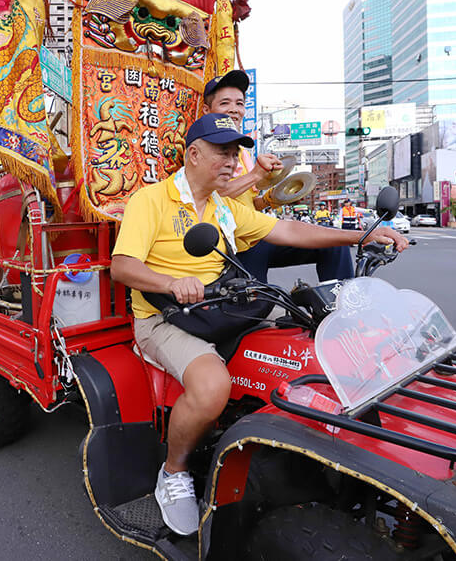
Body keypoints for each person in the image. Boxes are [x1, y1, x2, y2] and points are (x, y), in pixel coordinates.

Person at [110, 114, 407, 535]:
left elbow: (288, 230)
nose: (233, 161)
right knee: (212, 387)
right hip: (163, 316)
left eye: (235, 153)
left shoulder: (224, 208)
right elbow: (122, 267)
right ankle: (174, 472)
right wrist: (171, 283)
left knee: (313, 339)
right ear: (193, 154)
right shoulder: (151, 201)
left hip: (219, 305)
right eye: (222, 152)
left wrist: (359, 236)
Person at [202, 70, 353, 284]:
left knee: (334, 243)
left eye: (239, 103)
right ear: (207, 110)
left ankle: (342, 301)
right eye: (225, 103)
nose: (234, 109)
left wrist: (271, 199)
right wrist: (255, 174)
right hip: (233, 249)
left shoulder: (242, 152)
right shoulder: (200, 148)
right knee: (257, 301)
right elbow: (210, 195)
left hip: (257, 237)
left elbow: (246, 204)